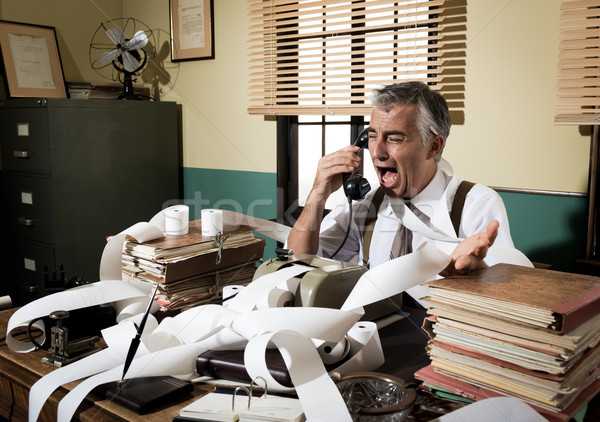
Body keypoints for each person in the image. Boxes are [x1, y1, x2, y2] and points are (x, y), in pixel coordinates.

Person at [286, 81, 520, 305]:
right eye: (373, 136)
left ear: (434, 146)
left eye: (394, 138)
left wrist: (476, 274)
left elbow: (506, 294)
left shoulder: (476, 203)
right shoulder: (368, 202)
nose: (376, 152)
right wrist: (317, 194)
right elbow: (299, 261)